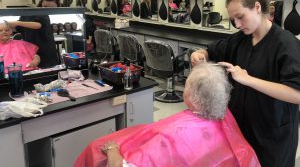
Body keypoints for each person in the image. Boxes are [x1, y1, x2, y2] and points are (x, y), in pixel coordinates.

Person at [191, 0, 300, 167]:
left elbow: (296, 93)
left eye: (240, 17)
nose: (238, 25)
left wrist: (249, 80)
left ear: (257, 7)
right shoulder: (239, 39)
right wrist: (200, 54)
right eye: (233, 20)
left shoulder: (286, 44)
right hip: (239, 132)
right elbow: (211, 50)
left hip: (272, 139)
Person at [75, 64, 260, 167]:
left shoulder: (171, 135)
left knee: (95, 148)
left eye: (186, 85)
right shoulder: (225, 119)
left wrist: (113, 151)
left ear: (191, 96)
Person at [9, 0, 59, 68]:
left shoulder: (41, 15)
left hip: (46, 54)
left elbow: (38, 25)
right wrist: (8, 27)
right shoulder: (32, 14)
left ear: (57, 5)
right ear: (41, 2)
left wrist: (16, 23)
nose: (47, 10)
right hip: (32, 53)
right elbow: (19, 28)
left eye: (51, 7)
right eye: (45, 6)